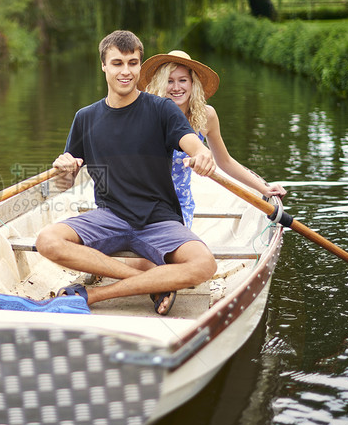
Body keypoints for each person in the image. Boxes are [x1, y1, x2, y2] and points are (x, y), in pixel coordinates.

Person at [33, 30, 218, 316]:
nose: (126, 71)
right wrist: (63, 169)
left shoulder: (162, 109)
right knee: (47, 240)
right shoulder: (85, 117)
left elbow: (192, 144)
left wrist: (203, 154)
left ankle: (93, 295)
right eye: (117, 63)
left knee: (204, 264)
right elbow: (64, 183)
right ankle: (151, 280)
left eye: (132, 63)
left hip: (158, 219)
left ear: (139, 67)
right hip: (109, 216)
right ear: (104, 66)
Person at [137, 50, 286, 228]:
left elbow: (225, 162)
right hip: (143, 200)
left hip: (178, 204)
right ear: (161, 84)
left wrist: (264, 189)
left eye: (183, 80)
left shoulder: (207, 116)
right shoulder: (147, 114)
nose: (176, 87)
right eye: (169, 81)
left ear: (193, 83)